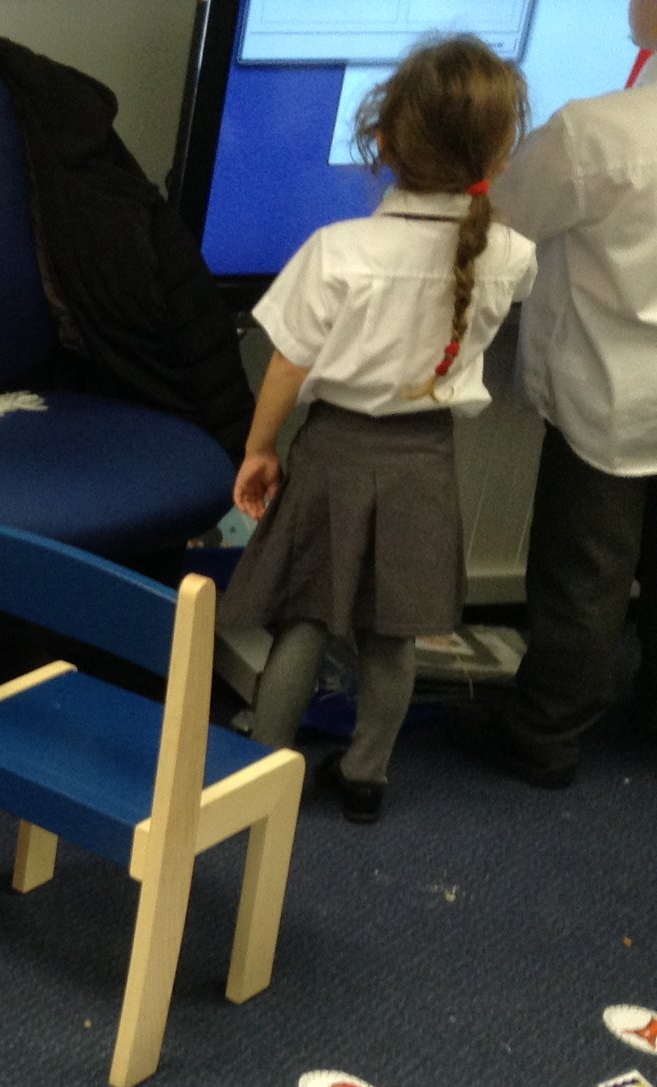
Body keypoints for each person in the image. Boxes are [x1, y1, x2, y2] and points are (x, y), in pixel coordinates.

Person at [220, 34, 536, 824]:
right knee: (394, 633)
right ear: (497, 153)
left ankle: (263, 760)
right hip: (425, 462)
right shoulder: (511, 256)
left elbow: (288, 372)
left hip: (334, 451)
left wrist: (260, 449)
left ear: (383, 141)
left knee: (305, 615)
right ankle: (366, 776)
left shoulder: (339, 252)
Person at [454, 0, 657, 786]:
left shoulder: (595, 133)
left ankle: (542, 735)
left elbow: (501, 220)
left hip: (610, 400)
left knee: (585, 578)